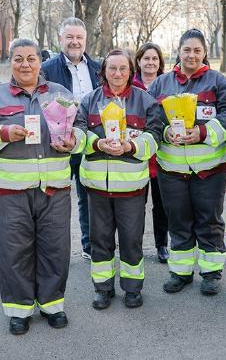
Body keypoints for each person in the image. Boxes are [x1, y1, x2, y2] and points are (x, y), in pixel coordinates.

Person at [0, 38, 84, 335]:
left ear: (40, 62)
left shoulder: (59, 93)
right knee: (14, 250)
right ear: (11, 62)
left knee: (55, 248)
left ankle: (52, 304)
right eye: (18, 59)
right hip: (12, 191)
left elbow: (81, 127)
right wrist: (3, 133)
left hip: (54, 189)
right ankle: (18, 310)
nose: (25, 64)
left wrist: (74, 141)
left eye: (31, 58)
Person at [147, 28, 226, 296]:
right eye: (187, 50)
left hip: (209, 171)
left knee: (208, 220)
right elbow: (151, 118)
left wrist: (203, 132)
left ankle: (211, 272)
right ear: (178, 51)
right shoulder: (161, 84)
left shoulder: (218, 82)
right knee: (178, 220)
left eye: (197, 50)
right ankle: (181, 272)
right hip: (171, 170)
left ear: (205, 53)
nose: (192, 55)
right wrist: (164, 133)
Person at [75, 49, 162, 310]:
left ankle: (132, 288)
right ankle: (103, 288)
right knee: (99, 239)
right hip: (96, 186)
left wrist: (130, 148)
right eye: (112, 68)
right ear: (103, 72)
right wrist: (97, 142)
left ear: (131, 71)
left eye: (123, 68)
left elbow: (155, 136)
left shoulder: (145, 101)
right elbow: (78, 132)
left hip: (131, 187)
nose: (117, 74)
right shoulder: (89, 101)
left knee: (131, 239)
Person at [40, 17, 101, 260]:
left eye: (79, 37)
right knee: (56, 198)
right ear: (60, 39)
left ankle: (89, 245)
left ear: (85, 40)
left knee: (89, 196)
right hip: (59, 142)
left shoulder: (97, 69)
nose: (75, 42)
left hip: (89, 140)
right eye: (70, 37)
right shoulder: (47, 69)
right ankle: (55, 250)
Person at [132, 42, 169, 263]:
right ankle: (134, 245)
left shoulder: (166, 85)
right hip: (136, 153)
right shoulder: (131, 85)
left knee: (161, 205)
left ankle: (161, 245)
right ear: (138, 61)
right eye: (146, 58)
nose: (150, 62)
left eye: (155, 59)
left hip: (161, 155)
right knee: (135, 206)